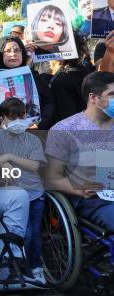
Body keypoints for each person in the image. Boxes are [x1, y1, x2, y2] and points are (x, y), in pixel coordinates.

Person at [0, 98, 48, 286]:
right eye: (11, 118)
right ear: (2, 119)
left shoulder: (33, 139)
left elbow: (35, 165)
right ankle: (16, 268)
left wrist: (10, 156)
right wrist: (1, 161)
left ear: (26, 116)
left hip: (34, 192)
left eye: (20, 117)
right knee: (20, 232)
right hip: (9, 193)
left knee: (34, 232)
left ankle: (35, 267)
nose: (17, 122)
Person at [45, 71, 114, 232]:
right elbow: (51, 179)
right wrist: (79, 189)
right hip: (90, 201)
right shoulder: (64, 130)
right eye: (112, 94)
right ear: (93, 98)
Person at [0, 36, 55, 129]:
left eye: (17, 50)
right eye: (8, 51)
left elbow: (49, 101)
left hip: (33, 132)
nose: (13, 54)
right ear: (0, 54)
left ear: (22, 53)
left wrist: (41, 122)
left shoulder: (33, 75)